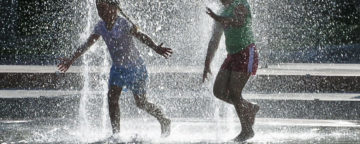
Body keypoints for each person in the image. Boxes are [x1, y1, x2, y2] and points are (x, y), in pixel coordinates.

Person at [57, 0, 172, 137]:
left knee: (141, 102)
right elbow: (87, 44)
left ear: (114, 8)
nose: (101, 12)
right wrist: (71, 59)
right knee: (112, 99)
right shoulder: (100, 26)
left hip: (135, 68)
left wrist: (156, 48)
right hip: (117, 69)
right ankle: (116, 134)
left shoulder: (123, 23)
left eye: (103, 8)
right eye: (98, 9)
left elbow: (141, 36)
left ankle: (164, 119)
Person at [203, 0, 259, 142]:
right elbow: (214, 41)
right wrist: (207, 64)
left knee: (235, 93)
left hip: (246, 51)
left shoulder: (241, 4)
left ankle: (247, 131)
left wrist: (217, 18)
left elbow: (239, 21)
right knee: (219, 91)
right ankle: (249, 107)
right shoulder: (221, 12)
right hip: (232, 55)